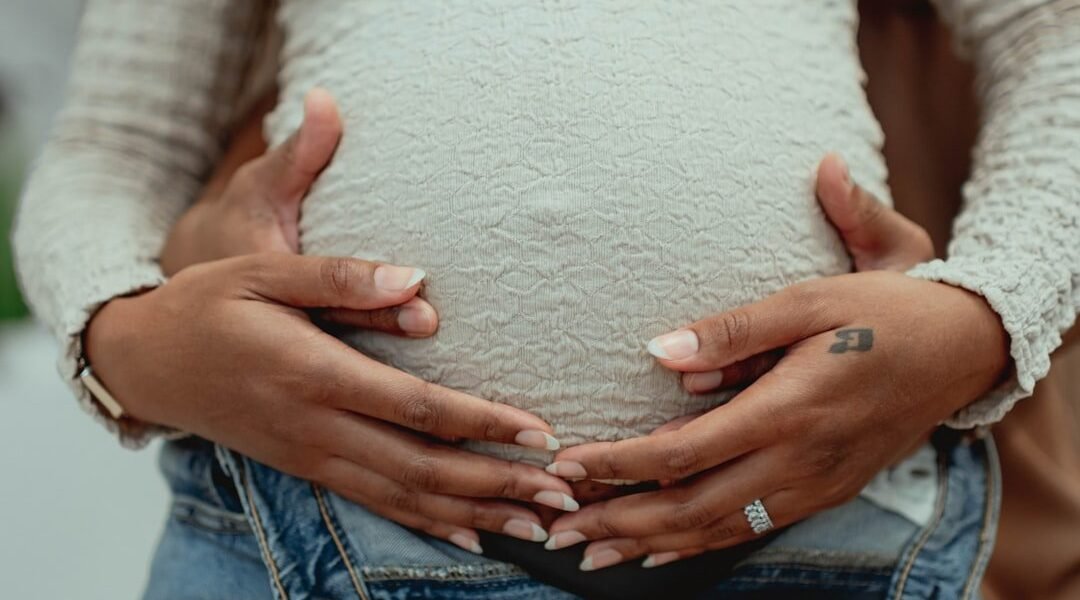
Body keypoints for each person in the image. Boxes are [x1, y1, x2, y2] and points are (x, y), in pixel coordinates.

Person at [13, 1, 1079, 598]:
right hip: (312, 524)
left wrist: (983, 315)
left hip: (812, 521)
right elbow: (117, 144)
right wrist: (121, 336)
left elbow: (1056, 40)